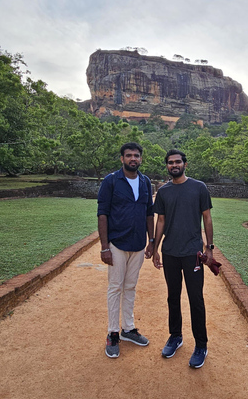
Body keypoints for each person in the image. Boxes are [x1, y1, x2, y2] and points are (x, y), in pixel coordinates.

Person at [151, 149, 214, 369]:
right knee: (172, 296)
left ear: (185, 164)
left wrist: (210, 249)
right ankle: (175, 336)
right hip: (170, 252)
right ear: (167, 166)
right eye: (170, 162)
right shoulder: (164, 192)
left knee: (196, 299)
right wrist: (155, 247)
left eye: (178, 162)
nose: (174, 165)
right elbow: (160, 221)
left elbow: (207, 218)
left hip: (193, 253)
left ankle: (201, 345)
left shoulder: (199, 188)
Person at [97, 142, 155, 358]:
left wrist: (152, 240)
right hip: (117, 243)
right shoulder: (111, 181)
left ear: (140, 158)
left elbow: (149, 213)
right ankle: (112, 333)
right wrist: (104, 247)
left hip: (138, 243)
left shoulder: (145, 182)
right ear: (121, 158)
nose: (133, 159)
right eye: (129, 155)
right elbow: (102, 213)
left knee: (130, 287)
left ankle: (128, 329)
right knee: (115, 287)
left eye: (137, 155)